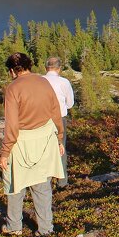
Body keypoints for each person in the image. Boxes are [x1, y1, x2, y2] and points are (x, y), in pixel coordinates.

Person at [0, 52, 65, 236]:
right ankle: (45, 229)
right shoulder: (44, 82)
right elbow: (56, 113)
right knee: (42, 186)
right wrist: (59, 138)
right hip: (45, 139)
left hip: (21, 143)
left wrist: (5, 152)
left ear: (12, 70)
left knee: (15, 186)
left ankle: (14, 227)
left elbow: (11, 125)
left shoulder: (13, 89)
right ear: (29, 65)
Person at [42, 56, 75, 187]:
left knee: (44, 150)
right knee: (61, 148)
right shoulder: (64, 82)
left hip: (42, 120)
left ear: (46, 67)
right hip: (59, 119)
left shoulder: (40, 81)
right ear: (59, 68)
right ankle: (62, 182)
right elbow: (70, 103)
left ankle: (45, 181)